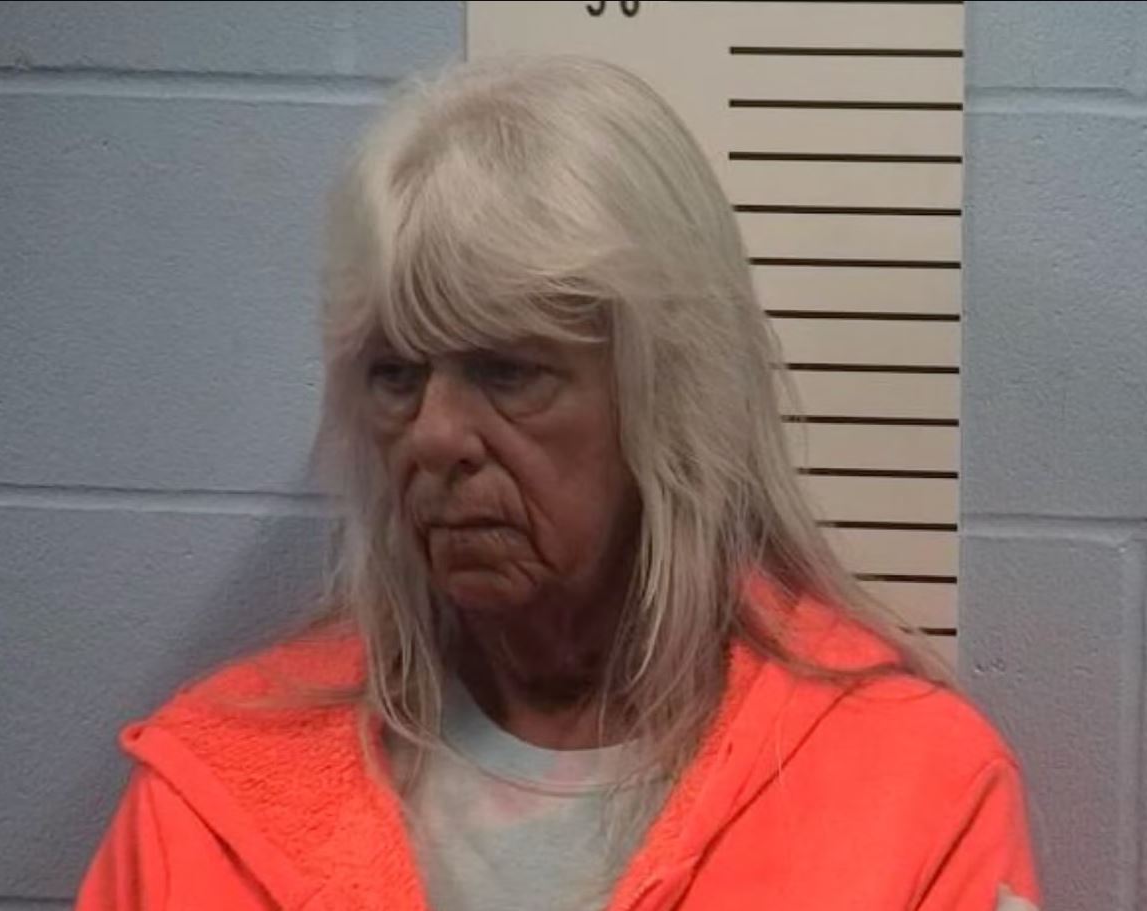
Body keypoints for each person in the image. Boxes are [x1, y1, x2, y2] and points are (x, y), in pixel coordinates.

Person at [76, 56, 1039, 910]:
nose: (435, 435)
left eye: (507, 371)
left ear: (668, 396)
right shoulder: (210, 802)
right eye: (396, 375)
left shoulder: (913, 791)